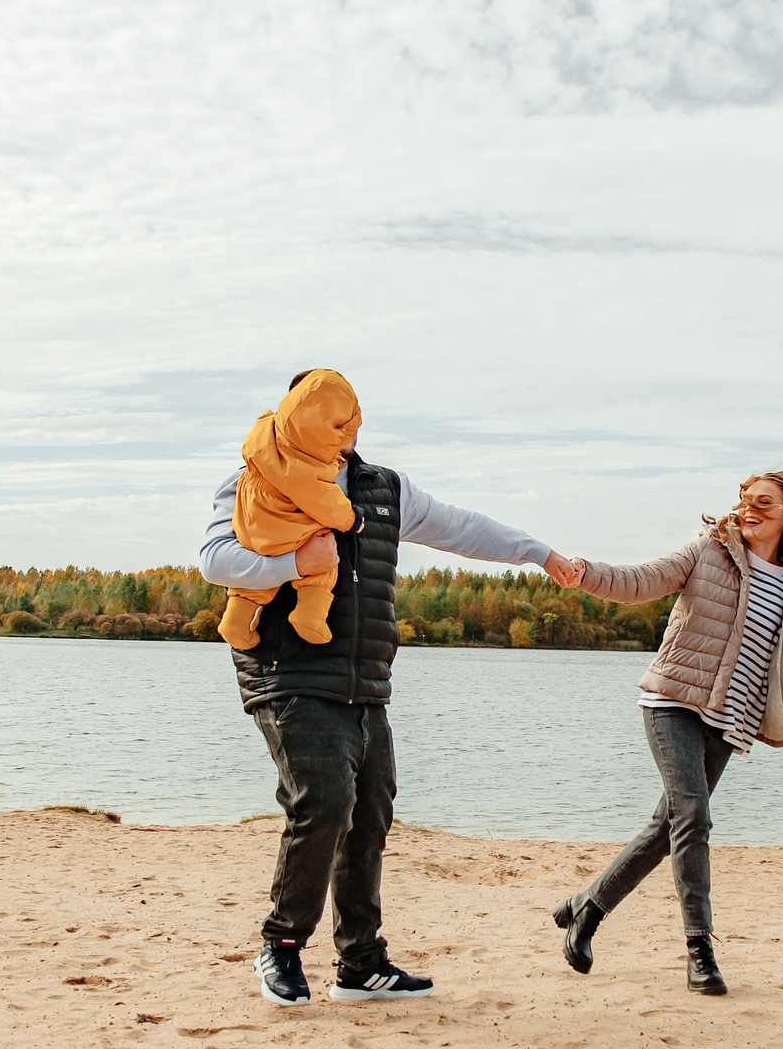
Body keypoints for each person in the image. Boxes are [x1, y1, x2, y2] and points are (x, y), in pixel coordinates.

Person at [199, 370, 586, 1007]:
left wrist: (538, 553)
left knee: (370, 809)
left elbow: (463, 527)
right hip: (286, 667)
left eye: (347, 415)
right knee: (322, 800)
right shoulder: (255, 478)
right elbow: (215, 559)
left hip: (364, 677)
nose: (340, 426)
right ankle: (282, 945)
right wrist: (296, 565)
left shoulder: (384, 489)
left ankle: (359, 964)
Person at [554, 472, 783, 995]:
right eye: (745, 501)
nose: (749, 510)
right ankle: (699, 950)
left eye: (763, 504)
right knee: (694, 816)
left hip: (730, 719)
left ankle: (586, 910)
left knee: (670, 825)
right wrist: (585, 572)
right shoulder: (710, 552)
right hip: (673, 702)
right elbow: (641, 580)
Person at [216, 370, 362, 651]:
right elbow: (325, 502)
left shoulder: (263, 441)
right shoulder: (307, 471)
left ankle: (235, 621)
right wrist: (352, 519)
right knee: (324, 565)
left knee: (251, 585)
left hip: (251, 526)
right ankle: (309, 616)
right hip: (286, 529)